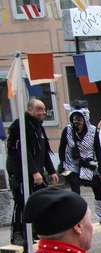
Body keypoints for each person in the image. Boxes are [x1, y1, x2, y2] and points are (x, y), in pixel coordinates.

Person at [6, 98, 57, 245]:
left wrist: (52, 171)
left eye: (43, 109)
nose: (43, 112)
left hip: (36, 171)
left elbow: (44, 152)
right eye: (39, 109)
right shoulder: (20, 126)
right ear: (30, 110)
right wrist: (34, 172)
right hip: (20, 171)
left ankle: (34, 232)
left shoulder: (39, 127)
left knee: (37, 201)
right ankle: (18, 234)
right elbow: (23, 151)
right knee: (22, 202)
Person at [58, 106, 101, 227]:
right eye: (74, 119)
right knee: (75, 192)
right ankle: (77, 220)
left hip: (89, 164)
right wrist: (62, 162)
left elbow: (97, 149)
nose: (77, 122)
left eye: (79, 119)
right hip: (73, 164)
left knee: (98, 189)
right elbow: (62, 148)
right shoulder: (67, 130)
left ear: (85, 119)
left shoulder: (92, 130)